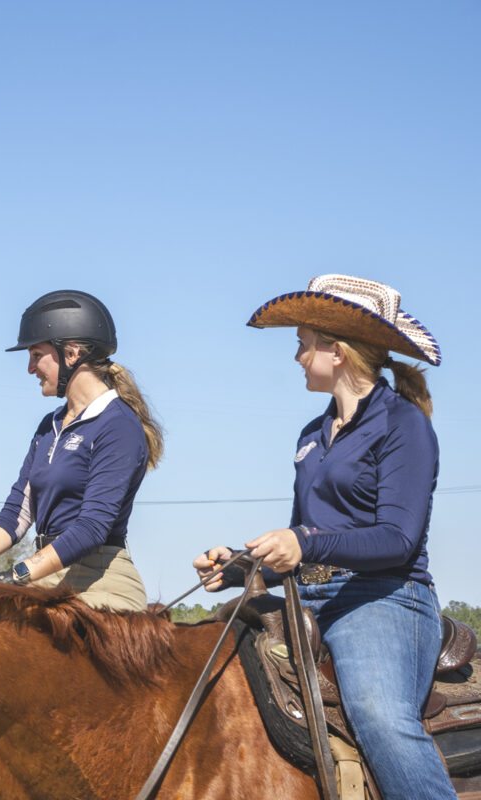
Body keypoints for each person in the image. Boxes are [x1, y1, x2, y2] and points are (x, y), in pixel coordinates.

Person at [194, 274, 453, 799]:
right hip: (308, 591)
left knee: (381, 718)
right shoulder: (311, 436)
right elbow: (300, 548)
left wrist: (304, 543)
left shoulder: (403, 423)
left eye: (302, 344)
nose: (295, 356)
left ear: (335, 350)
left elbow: (398, 540)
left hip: (384, 598)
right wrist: (242, 570)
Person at [0, 290, 162, 612]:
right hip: (46, 573)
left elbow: (91, 528)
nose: (30, 368)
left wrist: (18, 575)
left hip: (100, 579)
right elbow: (18, 511)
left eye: (36, 354)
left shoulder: (119, 426)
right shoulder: (49, 426)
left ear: (72, 353)